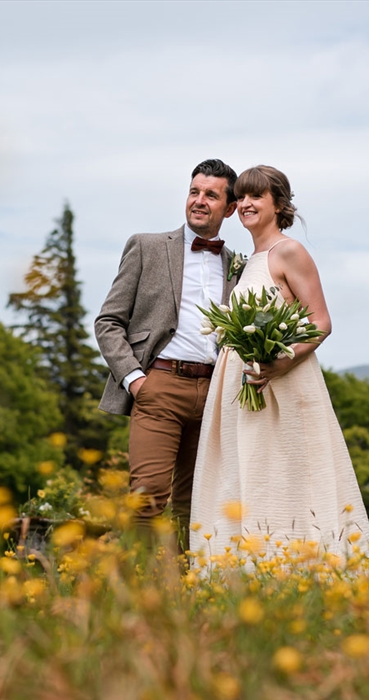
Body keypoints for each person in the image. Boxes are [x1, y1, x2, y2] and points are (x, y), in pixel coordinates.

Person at [189, 165, 369, 570]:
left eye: (257, 196)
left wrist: (276, 364)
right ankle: (241, 568)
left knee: (280, 473)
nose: (246, 204)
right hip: (242, 386)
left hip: (280, 384)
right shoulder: (249, 261)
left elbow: (320, 321)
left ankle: (297, 567)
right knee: (244, 474)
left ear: (279, 204)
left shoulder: (289, 252)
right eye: (242, 197)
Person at [94, 159, 241, 550]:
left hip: (213, 395)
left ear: (229, 208)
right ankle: (139, 590)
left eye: (211, 195)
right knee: (147, 497)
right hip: (158, 387)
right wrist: (136, 381)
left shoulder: (237, 266)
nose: (199, 200)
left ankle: (184, 595)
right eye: (194, 191)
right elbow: (108, 322)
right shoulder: (147, 246)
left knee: (196, 506)